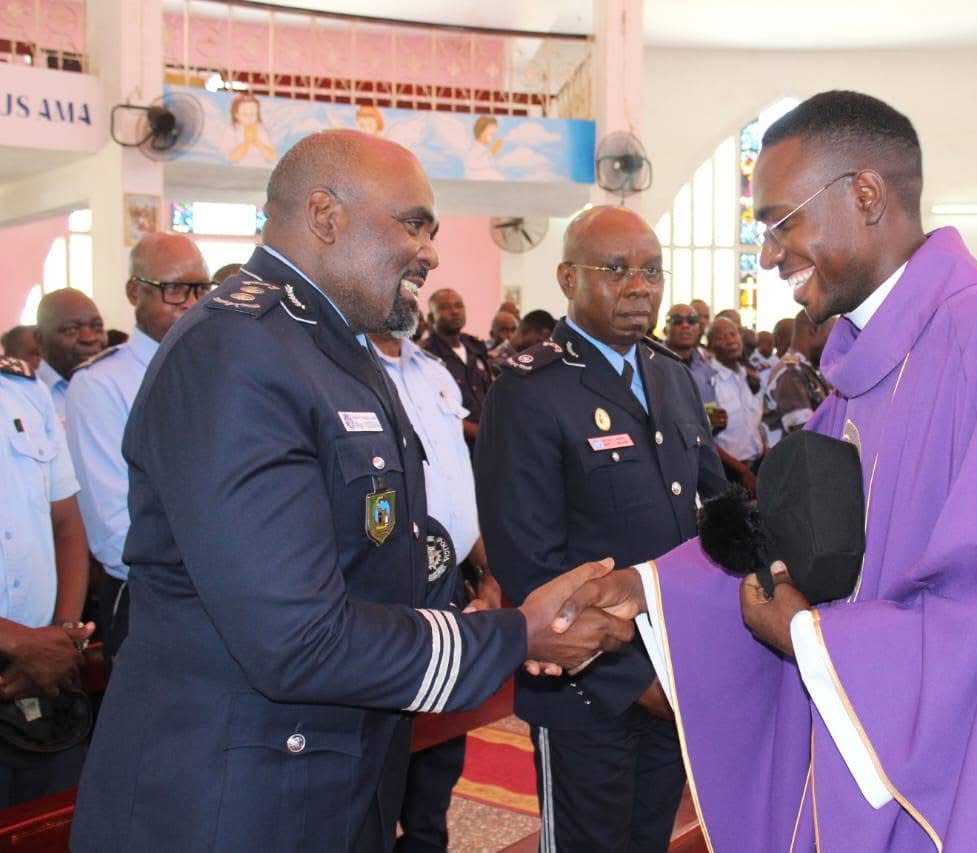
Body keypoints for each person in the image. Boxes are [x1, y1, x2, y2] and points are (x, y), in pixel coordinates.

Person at [551, 90, 977, 851]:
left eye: (780, 223)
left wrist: (808, 632)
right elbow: (780, 530)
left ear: (865, 194)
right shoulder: (870, 358)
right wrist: (646, 588)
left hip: (949, 779)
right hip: (859, 742)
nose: (768, 256)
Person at [69, 130, 633, 852]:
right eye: (413, 223)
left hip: (331, 769)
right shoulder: (236, 351)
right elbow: (297, 638)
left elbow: (375, 541)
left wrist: (467, 596)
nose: (430, 252)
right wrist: (517, 633)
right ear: (325, 216)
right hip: (234, 796)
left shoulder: (330, 346)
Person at [475, 205, 727, 852]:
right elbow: (527, 560)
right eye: (616, 270)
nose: (639, 287)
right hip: (585, 689)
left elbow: (712, 512)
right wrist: (634, 680)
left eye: (651, 271)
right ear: (568, 278)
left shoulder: (670, 376)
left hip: (674, 674)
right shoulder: (530, 390)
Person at [369, 328, 501, 852]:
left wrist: (489, 572)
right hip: (382, 595)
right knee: (376, 772)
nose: (412, 289)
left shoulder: (433, 371)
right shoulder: (339, 364)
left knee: (439, 759)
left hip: (449, 583)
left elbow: (456, 484)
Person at [64, 234, 212, 668]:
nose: (191, 303)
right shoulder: (100, 385)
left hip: (230, 593)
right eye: (174, 289)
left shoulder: (220, 369)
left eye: (201, 289)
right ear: (135, 292)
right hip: (153, 598)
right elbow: (114, 530)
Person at [0, 355, 94, 806]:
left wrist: (62, 635)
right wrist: (17, 642)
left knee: (56, 825)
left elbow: (67, 525)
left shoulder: (22, 389)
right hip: (30, 655)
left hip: (45, 682)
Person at [420, 288, 493, 443]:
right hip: (454, 441)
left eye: (459, 305)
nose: (455, 311)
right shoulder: (425, 354)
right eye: (445, 307)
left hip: (488, 438)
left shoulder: (476, 347)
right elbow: (432, 409)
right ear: (431, 317)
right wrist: (480, 433)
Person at [707, 316, 765, 488]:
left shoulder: (748, 376)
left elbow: (754, 421)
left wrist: (765, 449)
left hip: (757, 466)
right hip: (729, 473)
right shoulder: (709, 380)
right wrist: (742, 470)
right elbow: (706, 436)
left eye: (733, 334)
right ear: (711, 345)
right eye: (721, 337)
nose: (730, 340)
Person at [761, 308, 831, 447]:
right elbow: (805, 436)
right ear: (814, 330)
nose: (834, 344)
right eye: (831, 335)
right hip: (796, 459)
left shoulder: (803, 368)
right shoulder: (790, 372)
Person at [33, 289, 106, 421]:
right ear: (40, 339)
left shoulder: (114, 387)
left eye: (97, 326)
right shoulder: (25, 396)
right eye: (71, 329)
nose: (89, 338)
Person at [662, 302, 716, 404]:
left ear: (698, 329)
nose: (685, 325)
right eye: (677, 320)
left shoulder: (708, 363)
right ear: (666, 329)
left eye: (692, 320)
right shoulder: (651, 360)